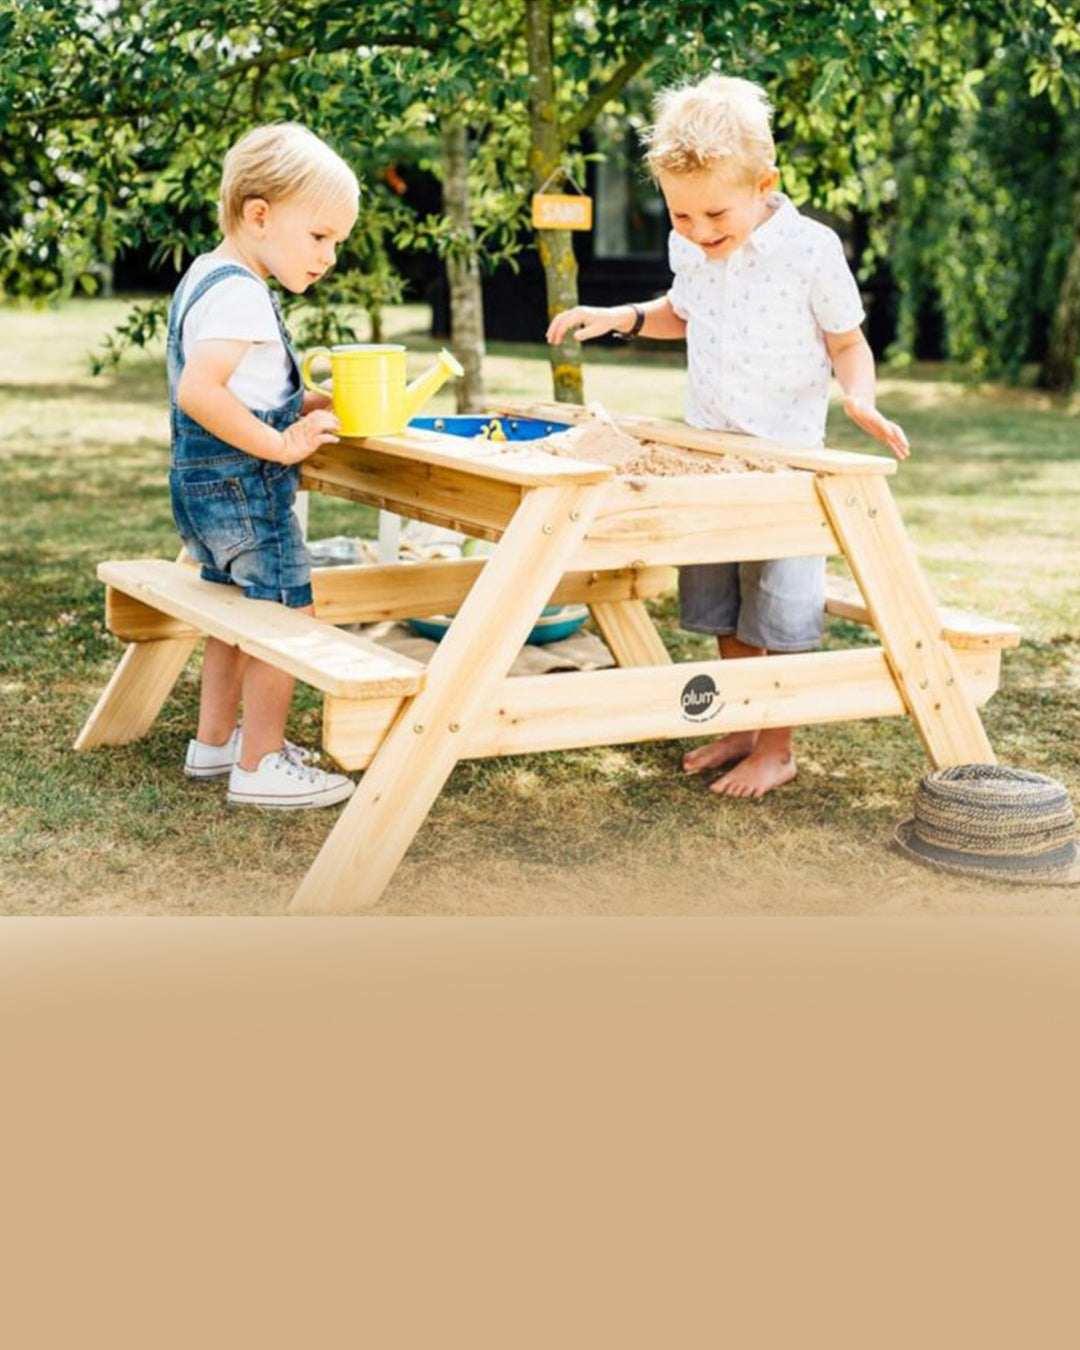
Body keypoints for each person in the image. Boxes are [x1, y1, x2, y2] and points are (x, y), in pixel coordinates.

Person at [547, 75, 909, 799]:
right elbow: (684, 313)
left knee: (779, 610)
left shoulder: (811, 249)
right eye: (681, 215)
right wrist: (621, 315)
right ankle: (742, 724)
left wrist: (860, 400)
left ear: (764, 183)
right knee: (720, 602)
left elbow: (847, 342)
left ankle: (777, 748)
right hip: (708, 457)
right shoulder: (692, 247)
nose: (700, 231)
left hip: (786, 466)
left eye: (715, 213)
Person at [169, 122, 359, 808]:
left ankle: (216, 745)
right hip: (245, 486)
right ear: (259, 215)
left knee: (232, 613)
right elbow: (201, 389)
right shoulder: (242, 292)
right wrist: (281, 446)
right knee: (285, 609)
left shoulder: (208, 276)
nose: (330, 255)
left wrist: (305, 400)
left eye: (337, 241)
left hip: (202, 487)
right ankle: (261, 764)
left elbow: (242, 385)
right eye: (320, 237)